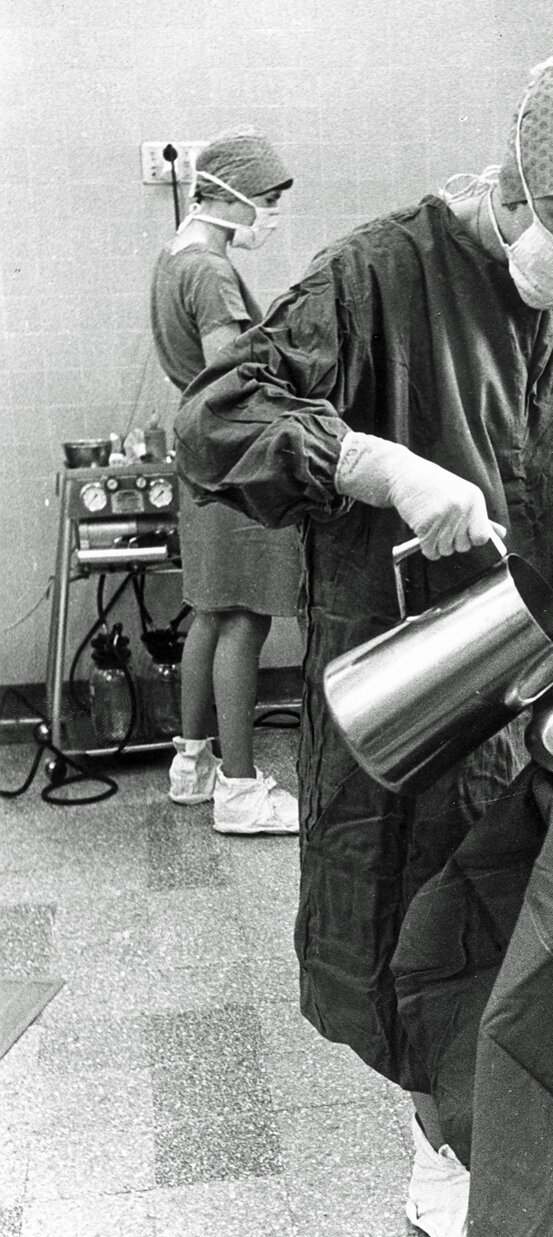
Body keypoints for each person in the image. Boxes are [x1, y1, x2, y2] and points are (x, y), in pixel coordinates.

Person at [174, 50, 553, 1237]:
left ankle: (529, 1142)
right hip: (411, 681)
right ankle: (439, 1150)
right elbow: (218, 419)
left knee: (549, 928)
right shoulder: (379, 276)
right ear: (519, 183)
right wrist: (374, 463)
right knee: (418, 935)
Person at [150, 127, 300, 835]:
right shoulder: (210, 270)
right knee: (245, 614)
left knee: (210, 609)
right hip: (231, 452)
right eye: (266, 201)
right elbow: (231, 380)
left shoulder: (173, 255)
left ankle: (193, 764)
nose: (269, 215)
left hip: (195, 446)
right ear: (230, 194)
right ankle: (240, 791)